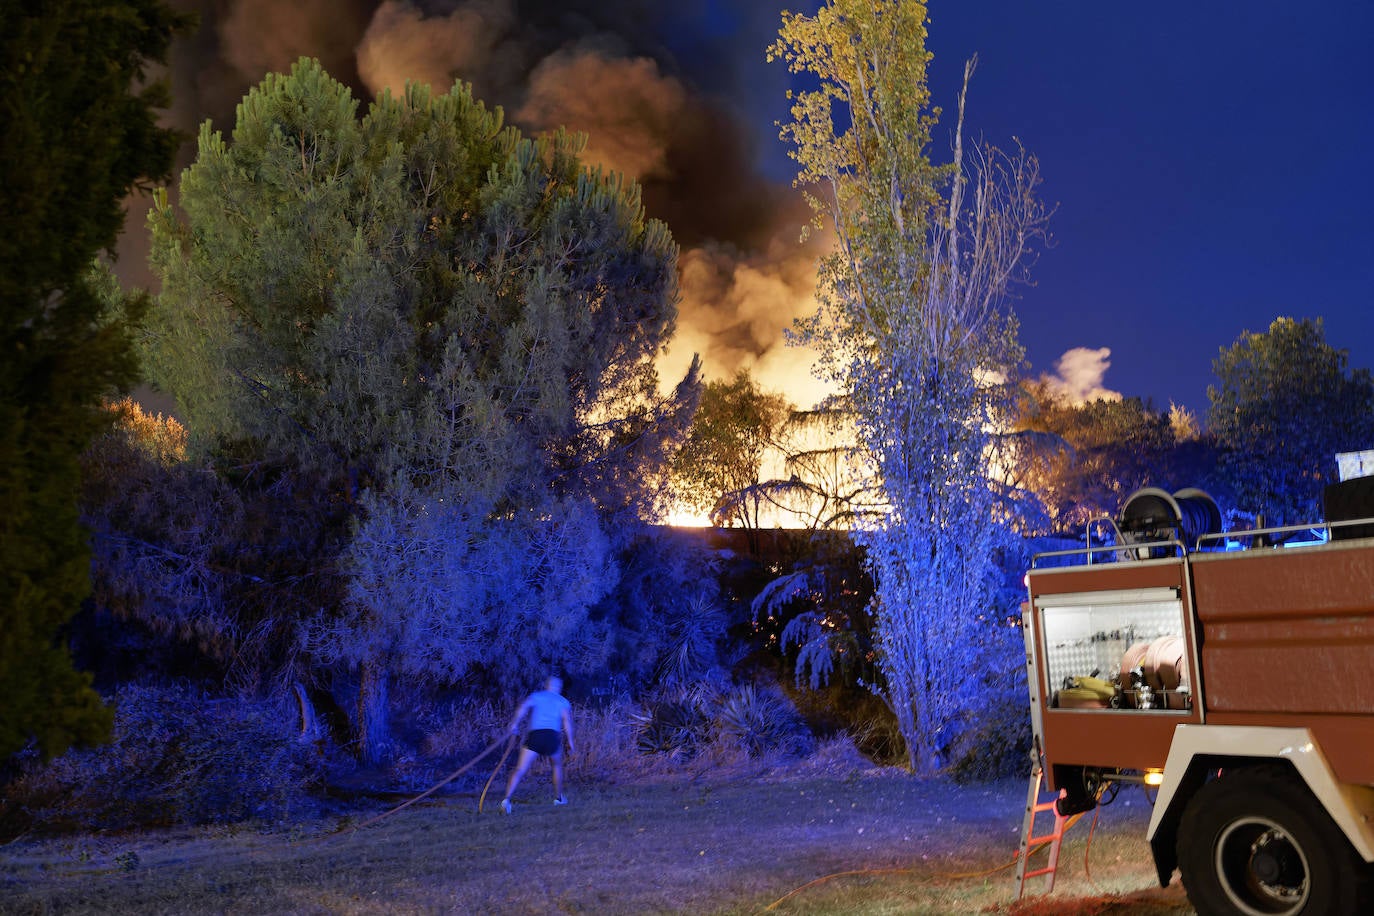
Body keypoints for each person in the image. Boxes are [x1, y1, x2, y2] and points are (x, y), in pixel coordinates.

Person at [501, 675, 575, 813]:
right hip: (551, 736)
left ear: (546, 685)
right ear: (559, 688)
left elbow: (522, 708)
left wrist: (514, 724)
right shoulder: (562, 701)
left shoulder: (537, 696)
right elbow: (567, 722)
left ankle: (506, 800)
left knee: (520, 769)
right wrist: (570, 742)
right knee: (557, 766)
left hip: (535, 735)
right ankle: (559, 798)